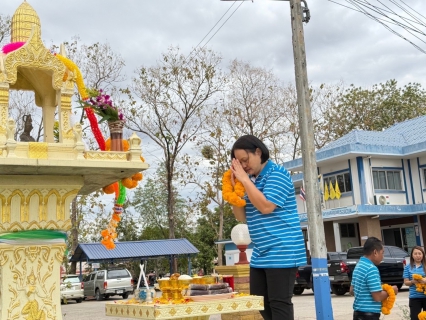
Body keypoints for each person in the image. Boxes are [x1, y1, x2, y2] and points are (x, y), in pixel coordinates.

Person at [229, 135, 306, 320]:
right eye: (238, 163)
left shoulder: (277, 174)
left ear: (258, 151)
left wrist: (245, 181)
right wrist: (235, 189)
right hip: (261, 253)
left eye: (245, 160)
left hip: (283, 250)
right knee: (261, 303)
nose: (243, 166)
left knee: (279, 304)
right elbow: (241, 217)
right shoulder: (251, 181)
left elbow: (265, 207)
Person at [350, 237, 398, 320]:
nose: (383, 257)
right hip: (369, 316)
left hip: (357, 314)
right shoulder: (371, 268)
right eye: (382, 253)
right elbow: (377, 297)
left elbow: (351, 290)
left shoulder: (358, 266)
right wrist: (391, 290)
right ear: (375, 252)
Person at [403, 246, 426, 320]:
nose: (418, 256)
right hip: (414, 297)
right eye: (415, 253)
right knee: (414, 318)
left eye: (420, 253)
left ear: (423, 255)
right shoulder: (407, 267)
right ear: (412, 255)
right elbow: (406, 282)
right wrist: (413, 281)